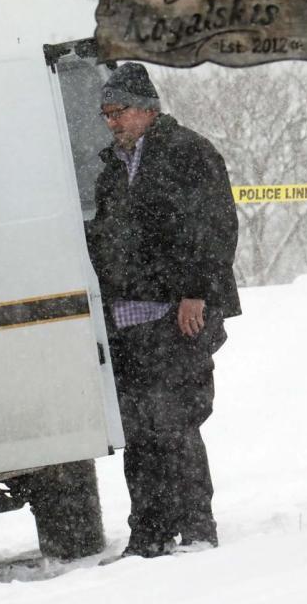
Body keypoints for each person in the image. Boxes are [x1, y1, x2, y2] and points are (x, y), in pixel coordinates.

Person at [87, 62, 241, 558]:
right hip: (126, 319)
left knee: (174, 423)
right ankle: (149, 533)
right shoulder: (112, 168)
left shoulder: (187, 152)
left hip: (176, 314)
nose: (112, 121)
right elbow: (105, 238)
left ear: (148, 110)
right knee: (139, 432)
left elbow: (216, 226)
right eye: (106, 113)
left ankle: (197, 528)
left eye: (120, 111)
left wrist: (196, 291)